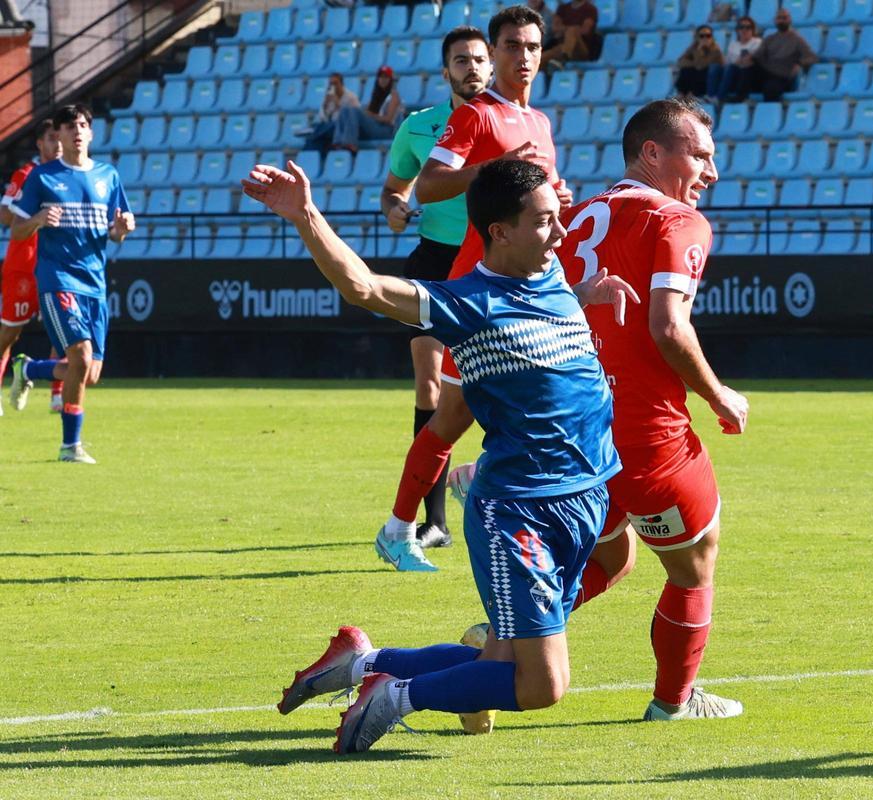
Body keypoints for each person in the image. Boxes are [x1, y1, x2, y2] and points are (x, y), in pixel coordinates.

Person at [244, 157, 638, 754]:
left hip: (585, 495)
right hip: (521, 515)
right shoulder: (468, 304)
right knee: (542, 683)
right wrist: (307, 215)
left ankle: (360, 662)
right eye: (545, 222)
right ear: (499, 232)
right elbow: (364, 287)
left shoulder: (551, 272)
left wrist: (587, 292)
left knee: (500, 657)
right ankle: (391, 695)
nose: (561, 233)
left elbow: (542, 313)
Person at [453, 98, 750, 723]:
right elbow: (668, 327)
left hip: (577, 434)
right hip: (648, 434)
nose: (711, 172)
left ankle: (498, 644)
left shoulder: (573, 215)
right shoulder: (678, 222)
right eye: (699, 155)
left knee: (612, 559)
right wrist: (719, 394)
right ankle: (674, 702)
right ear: (652, 154)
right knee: (695, 568)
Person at [374, 4, 571, 572]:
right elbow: (430, 185)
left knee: (547, 397)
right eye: (513, 46)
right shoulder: (478, 116)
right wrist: (493, 168)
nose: (524, 57)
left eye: (533, 47)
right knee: (448, 413)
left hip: (530, 284)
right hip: (479, 286)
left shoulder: (540, 123)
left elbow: (548, 201)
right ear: (497, 50)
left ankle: (470, 483)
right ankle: (399, 527)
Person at [378, 26, 493, 564]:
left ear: (491, 68)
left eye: (478, 59)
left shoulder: (508, 123)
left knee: (488, 390)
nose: (471, 67)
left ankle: (485, 482)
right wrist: (396, 209)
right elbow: (394, 191)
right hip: (433, 263)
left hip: (491, 267)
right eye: (460, 60)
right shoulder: (418, 127)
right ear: (445, 70)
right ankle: (434, 523)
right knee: (430, 387)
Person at [8, 104, 134, 464]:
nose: (76, 131)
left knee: (88, 373)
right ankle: (69, 447)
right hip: (58, 278)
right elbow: (16, 230)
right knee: (78, 355)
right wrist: (37, 219)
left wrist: (121, 231)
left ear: (91, 133)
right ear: (59, 136)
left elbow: (115, 232)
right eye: (68, 126)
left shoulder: (108, 176)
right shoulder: (43, 177)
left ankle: (27, 368)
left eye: (82, 125)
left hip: (94, 284)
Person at [0, 119, 62, 416]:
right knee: (9, 334)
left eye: (60, 137)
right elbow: (4, 215)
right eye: (52, 138)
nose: (58, 144)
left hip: (57, 265)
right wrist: (33, 213)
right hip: (23, 267)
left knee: (64, 332)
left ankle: (58, 396)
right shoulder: (25, 174)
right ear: (40, 143)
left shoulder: (70, 177)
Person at [738, 7, 817, 102]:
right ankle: (740, 101)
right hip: (766, 72)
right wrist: (748, 59)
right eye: (779, 18)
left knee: (770, 88)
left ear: (789, 20)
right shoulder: (770, 39)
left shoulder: (797, 39)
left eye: (784, 18)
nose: (781, 20)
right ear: (775, 20)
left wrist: (799, 64)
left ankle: (769, 113)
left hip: (782, 76)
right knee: (746, 68)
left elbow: (812, 57)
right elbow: (757, 56)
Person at [333, 65, 404, 154]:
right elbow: (369, 111)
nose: (383, 80)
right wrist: (366, 113)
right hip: (375, 126)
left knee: (354, 111)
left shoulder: (393, 95)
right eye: (381, 77)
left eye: (386, 77)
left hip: (386, 130)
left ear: (390, 80)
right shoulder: (377, 94)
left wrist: (371, 115)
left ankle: (350, 142)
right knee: (345, 110)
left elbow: (388, 119)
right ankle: (337, 142)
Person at [302, 73, 359, 154]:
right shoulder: (329, 97)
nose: (333, 86)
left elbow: (353, 118)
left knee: (316, 132)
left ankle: (313, 133)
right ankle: (309, 156)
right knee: (315, 137)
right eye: (331, 84)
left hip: (342, 129)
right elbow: (323, 118)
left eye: (335, 83)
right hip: (329, 128)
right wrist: (325, 106)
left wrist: (338, 104)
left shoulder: (351, 98)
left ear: (341, 84)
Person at [542, 0, 601, 67]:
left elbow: (585, 30)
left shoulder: (590, 9)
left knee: (573, 30)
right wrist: (570, 29)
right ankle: (564, 56)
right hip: (562, 46)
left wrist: (565, 29)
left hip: (581, 50)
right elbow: (555, 28)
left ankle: (564, 58)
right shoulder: (562, 8)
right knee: (541, 58)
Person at [716, 17, 761, 102]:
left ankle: (720, 98)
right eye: (741, 27)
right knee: (725, 68)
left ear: (752, 29)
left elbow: (750, 60)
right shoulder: (733, 44)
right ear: (737, 30)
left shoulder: (757, 42)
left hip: (751, 77)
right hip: (734, 76)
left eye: (748, 27)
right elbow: (727, 63)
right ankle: (717, 97)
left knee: (739, 68)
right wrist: (740, 61)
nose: (744, 30)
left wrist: (739, 61)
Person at [673, 25, 724, 100]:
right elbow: (681, 61)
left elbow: (701, 65)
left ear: (712, 37)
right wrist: (693, 63)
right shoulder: (694, 47)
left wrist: (699, 52)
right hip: (697, 75)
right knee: (686, 70)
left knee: (700, 71)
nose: (705, 38)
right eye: (702, 36)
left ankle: (692, 94)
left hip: (708, 81)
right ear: (697, 37)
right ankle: (682, 93)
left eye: (708, 36)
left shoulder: (715, 50)